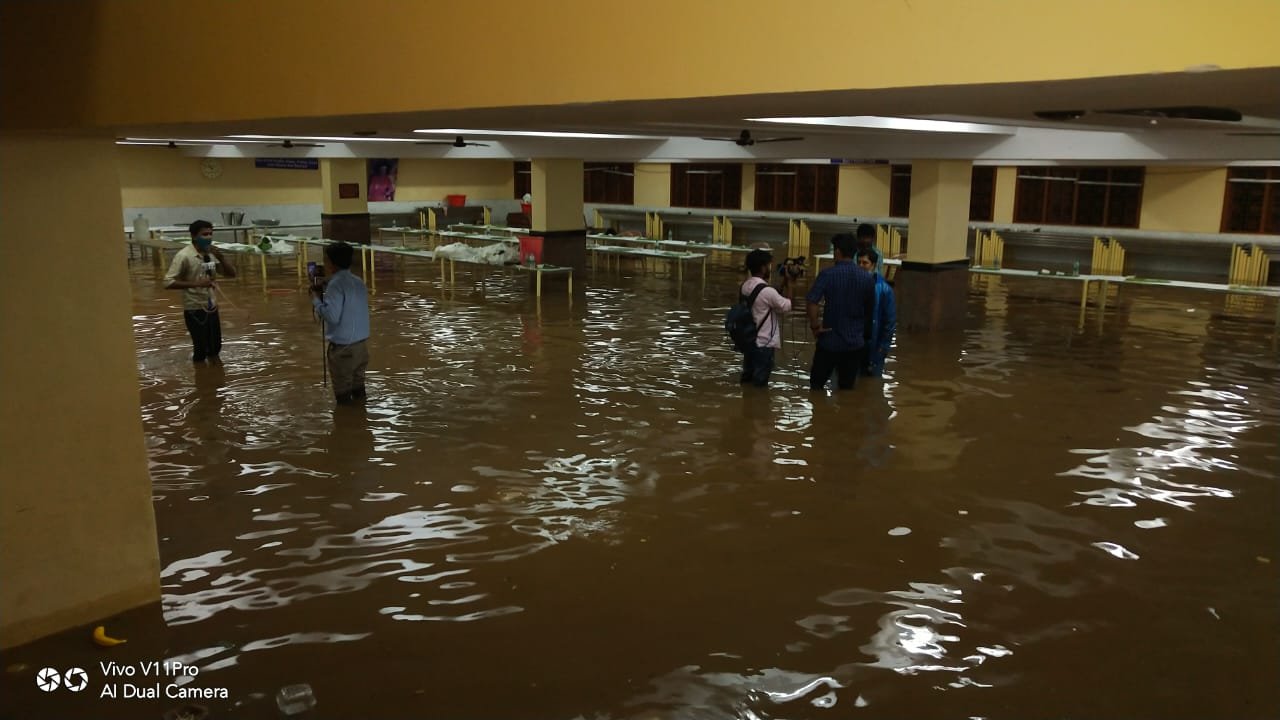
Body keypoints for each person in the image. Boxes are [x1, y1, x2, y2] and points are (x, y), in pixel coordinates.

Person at [805, 233, 876, 390]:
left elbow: (812, 302)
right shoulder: (867, 278)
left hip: (829, 341)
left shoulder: (827, 274)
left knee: (816, 387)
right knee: (846, 390)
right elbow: (869, 311)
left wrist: (815, 327)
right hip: (854, 343)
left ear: (837, 251)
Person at [164, 220, 237, 364]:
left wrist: (221, 258)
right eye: (204, 234)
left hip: (211, 307)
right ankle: (200, 378)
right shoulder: (184, 256)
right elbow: (167, 282)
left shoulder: (211, 254)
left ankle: (214, 379)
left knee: (215, 348)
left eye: (210, 234)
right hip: (194, 308)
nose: (208, 237)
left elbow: (231, 274)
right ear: (194, 236)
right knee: (201, 349)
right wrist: (197, 283)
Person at [311, 242, 371, 405]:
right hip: (361, 348)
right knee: (359, 390)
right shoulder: (358, 281)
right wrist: (326, 283)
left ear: (331, 263)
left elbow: (332, 316)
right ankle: (361, 423)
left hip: (343, 350)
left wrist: (316, 301)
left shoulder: (335, 285)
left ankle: (347, 425)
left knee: (343, 396)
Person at [739, 248, 794, 387]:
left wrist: (783, 283)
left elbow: (768, 298)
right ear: (763, 267)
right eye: (769, 266)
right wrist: (791, 286)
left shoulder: (745, 286)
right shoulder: (767, 291)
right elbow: (786, 306)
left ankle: (747, 405)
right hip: (764, 343)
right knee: (760, 385)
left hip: (749, 341)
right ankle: (759, 406)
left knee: (748, 379)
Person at [857, 247, 897, 377]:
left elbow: (890, 322)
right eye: (859, 262)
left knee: (872, 379)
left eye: (865, 263)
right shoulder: (853, 284)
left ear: (873, 265)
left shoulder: (884, 290)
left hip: (874, 343)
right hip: (855, 340)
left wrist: (883, 346)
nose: (861, 266)